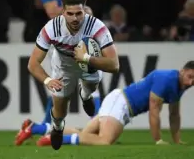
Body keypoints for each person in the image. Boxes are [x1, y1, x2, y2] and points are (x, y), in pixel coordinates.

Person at [15, 0, 119, 150]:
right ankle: (56, 127)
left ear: (85, 10)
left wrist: (86, 58)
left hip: (88, 63)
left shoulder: (96, 26)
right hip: (63, 68)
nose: (75, 18)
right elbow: (33, 64)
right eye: (70, 14)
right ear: (62, 11)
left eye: (79, 13)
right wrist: (48, 80)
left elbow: (114, 65)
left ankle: (85, 94)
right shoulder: (51, 29)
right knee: (60, 108)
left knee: (91, 86)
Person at [35, 61, 194, 146]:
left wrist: (177, 139)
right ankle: (57, 140)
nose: (191, 82)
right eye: (190, 76)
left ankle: (42, 131)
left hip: (120, 103)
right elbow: (154, 109)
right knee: (105, 141)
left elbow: (174, 115)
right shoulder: (167, 79)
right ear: (182, 71)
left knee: (87, 135)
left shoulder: (179, 86)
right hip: (121, 103)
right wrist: (158, 140)